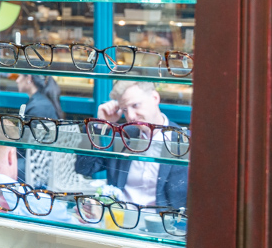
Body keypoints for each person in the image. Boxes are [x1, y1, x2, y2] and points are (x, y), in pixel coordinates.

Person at [74, 81, 188, 209]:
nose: (131, 116)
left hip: (161, 224)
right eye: (125, 110)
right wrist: (99, 125)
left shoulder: (185, 142)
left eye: (136, 105)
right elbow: (84, 168)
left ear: (155, 98)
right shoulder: (123, 136)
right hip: (119, 221)